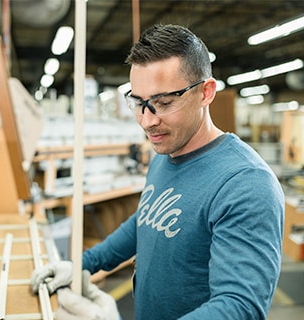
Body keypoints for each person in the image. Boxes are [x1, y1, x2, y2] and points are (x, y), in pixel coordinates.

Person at [32, 24, 285, 320]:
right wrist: (83, 264)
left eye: (163, 103)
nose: (147, 121)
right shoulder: (166, 151)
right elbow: (147, 221)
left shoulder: (246, 184)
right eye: (138, 103)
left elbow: (240, 308)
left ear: (206, 92)